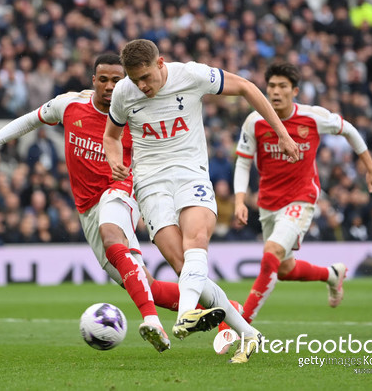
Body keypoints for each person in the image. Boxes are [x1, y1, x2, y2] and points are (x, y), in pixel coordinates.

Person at [0, 53, 241, 353]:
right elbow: (30, 120)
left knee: (112, 235)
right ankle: (227, 311)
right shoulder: (69, 105)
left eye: (117, 80)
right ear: (93, 80)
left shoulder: (136, 111)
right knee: (148, 286)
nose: (109, 86)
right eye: (103, 79)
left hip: (123, 190)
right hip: (87, 207)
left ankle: (152, 321)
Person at [103, 39, 299, 363]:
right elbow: (111, 136)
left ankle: (184, 317)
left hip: (190, 174)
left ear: (161, 63)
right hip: (150, 184)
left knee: (197, 240)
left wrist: (282, 133)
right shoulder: (125, 92)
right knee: (184, 267)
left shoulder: (191, 75)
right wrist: (113, 159)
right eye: (135, 79)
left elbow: (247, 87)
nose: (142, 85)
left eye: (147, 77)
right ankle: (249, 334)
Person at [233, 62, 372, 323]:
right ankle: (331, 275)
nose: (275, 91)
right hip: (268, 203)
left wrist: (371, 168)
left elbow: (349, 130)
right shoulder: (255, 120)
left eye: (282, 86)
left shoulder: (312, 117)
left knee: (271, 253)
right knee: (284, 269)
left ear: (295, 91)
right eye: (271, 86)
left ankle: (243, 324)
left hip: (301, 198)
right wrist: (239, 199)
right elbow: (244, 161)